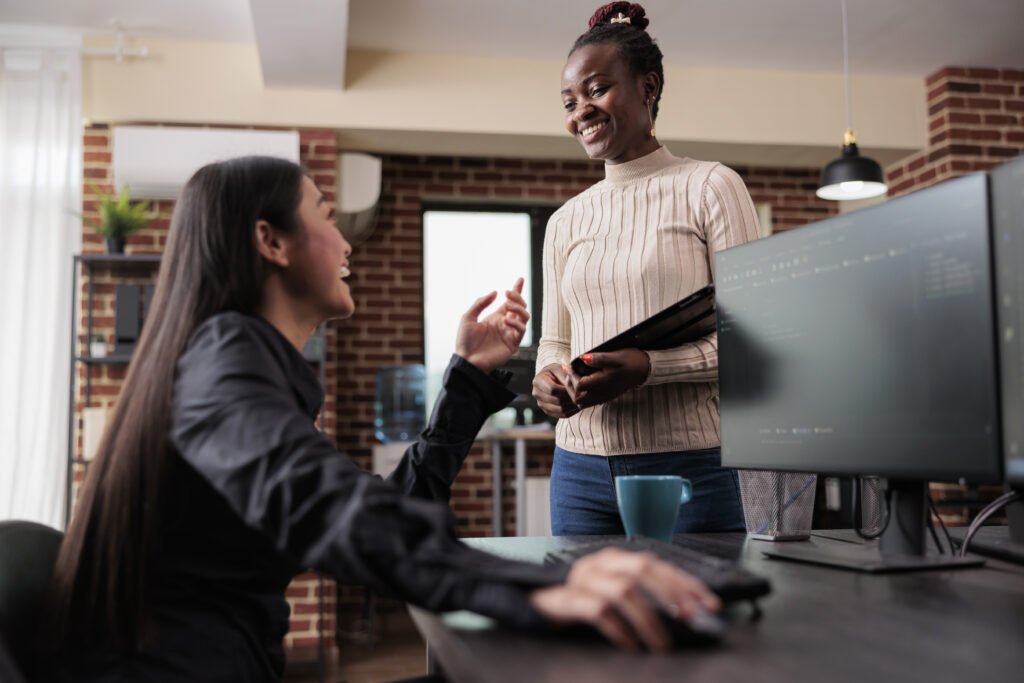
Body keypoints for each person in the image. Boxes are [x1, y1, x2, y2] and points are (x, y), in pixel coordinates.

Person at [43, 156, 721, 682]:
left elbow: (383, 506)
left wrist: (470, 374)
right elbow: (324, 504)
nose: (345, 242)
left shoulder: (240, 364)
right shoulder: (225, 352)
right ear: (269, 240)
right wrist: (541, 585)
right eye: (325, 214)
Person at [533, 2, 761, 537]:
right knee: (591, 620)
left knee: (701, 620)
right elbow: (553, 342)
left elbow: (749, 342)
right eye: (569, 101)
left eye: (595, 89)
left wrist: (650, 367)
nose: (579, 111)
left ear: (648, 88)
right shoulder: (566, 220)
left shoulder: (711, 186)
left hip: (692, 468)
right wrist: (547, 382)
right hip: (579, 473)